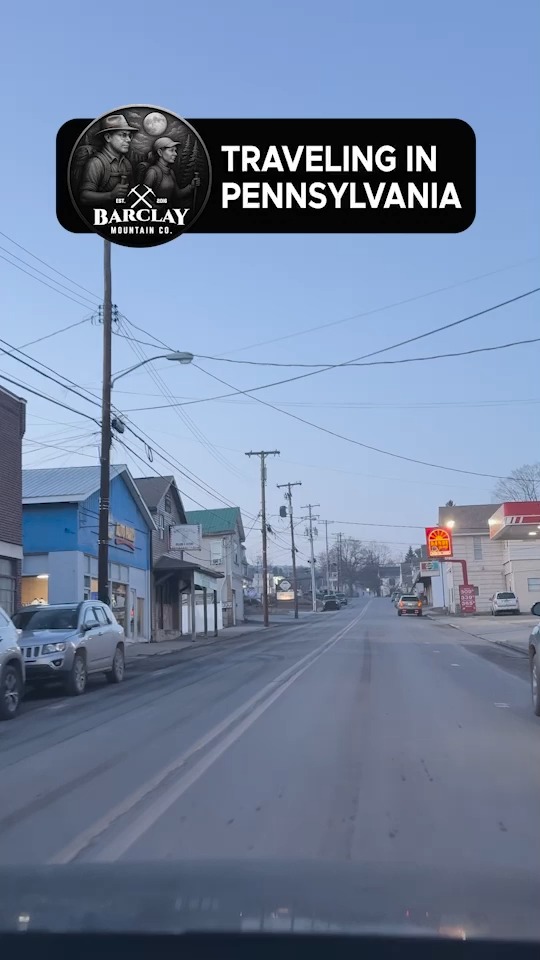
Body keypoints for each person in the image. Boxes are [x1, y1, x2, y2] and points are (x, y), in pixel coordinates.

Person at [79, 114, 137, 207]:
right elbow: (84, 197)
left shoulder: (126, 163)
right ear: (108, 137)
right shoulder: (96, 163)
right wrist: (110, 195)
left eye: (130, 135)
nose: (129, 139)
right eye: (123, 135)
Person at [142, 137, 200, 204]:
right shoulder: (153, 172)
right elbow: (144, 197)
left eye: (175, 150)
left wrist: (191, 186)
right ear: (160, 152)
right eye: (171, 150)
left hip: (167, 210)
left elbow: (177, 194)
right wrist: (162, 202)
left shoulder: (170, 172)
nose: (175, 154)